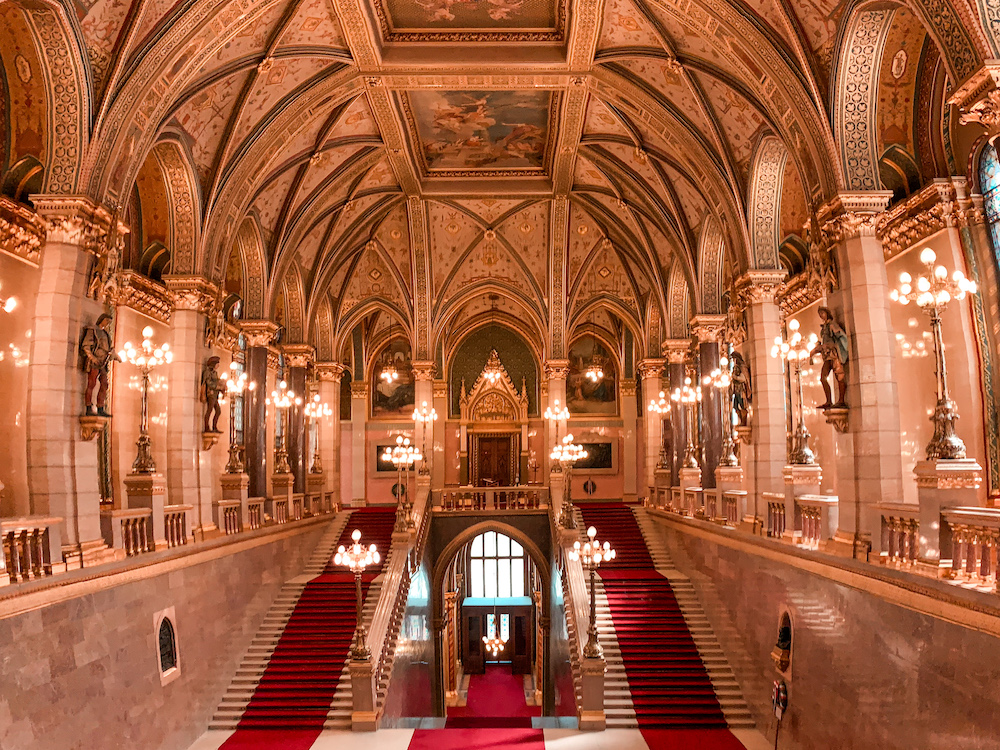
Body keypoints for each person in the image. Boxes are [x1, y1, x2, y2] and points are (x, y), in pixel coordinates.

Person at [811, 306, 850, 409]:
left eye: (822, 313)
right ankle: (828, 401)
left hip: (834, 355)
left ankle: (841, 400)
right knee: (823, 377)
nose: (821, 316)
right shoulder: (824, 328)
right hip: (827, 356)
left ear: (827, 313)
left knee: (839, 377)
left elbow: (840, 336)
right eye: (820, 314)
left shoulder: (832, 325)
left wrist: (831, 345)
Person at [82, 314, 119, 416]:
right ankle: (88, 407)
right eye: (106, 321)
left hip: (103, 361)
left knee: (104, 384)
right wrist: (92, 358)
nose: (107, 323)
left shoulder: (106, 333)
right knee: (91, 383)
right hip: (95, 361)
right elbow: (86, 346)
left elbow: (108, 348)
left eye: (109, 322)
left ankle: (100, 407)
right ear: (101, 320)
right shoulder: (93, 330)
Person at [201, 356, 225, 433]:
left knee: (218, 411)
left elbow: (216, 381)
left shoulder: (215, 373)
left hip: (215, 394)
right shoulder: (207, 372)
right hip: (210, 394)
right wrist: (217, 386)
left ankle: (214, 427)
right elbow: (208, 382)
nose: (218, 365)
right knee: (209, 410)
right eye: (217, 364)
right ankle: (207, 427)